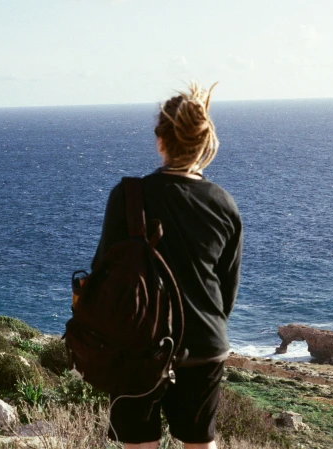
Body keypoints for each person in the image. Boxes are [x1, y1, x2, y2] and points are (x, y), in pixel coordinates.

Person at [91, 82, 242, 449]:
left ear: (160, 140)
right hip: (204, 345)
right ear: (203, 143)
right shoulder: (223, 203)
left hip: (138, 347)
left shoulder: (129, 197)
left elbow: (101, 273)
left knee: (140, 444)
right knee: (199, 445)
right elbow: (226, 292)